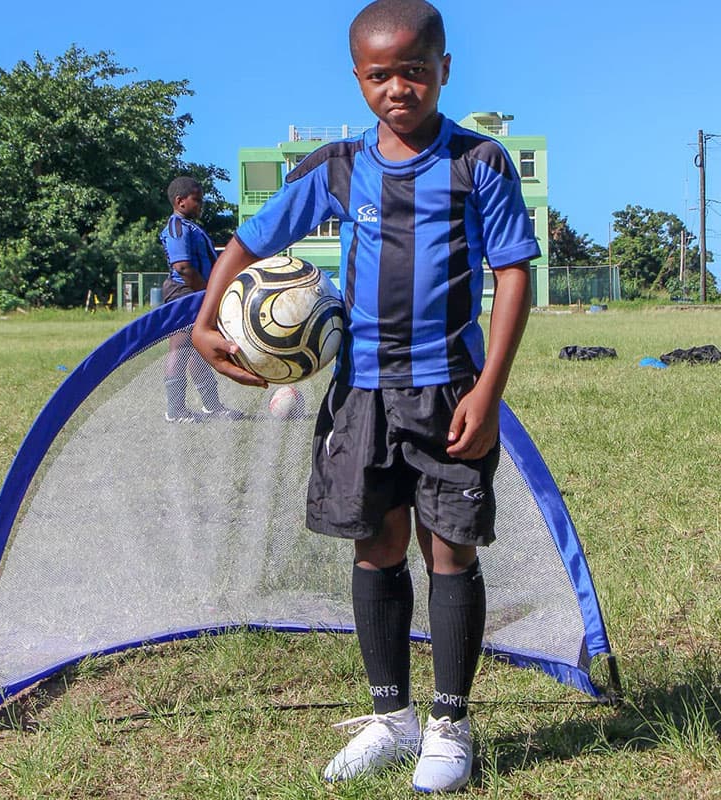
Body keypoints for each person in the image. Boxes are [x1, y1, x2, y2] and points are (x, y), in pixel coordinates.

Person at [192, 0, 540, 792]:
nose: (398, 89)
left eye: (414, 71)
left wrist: (488, 391)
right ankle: (392, 717)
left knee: (448, 550)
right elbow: (251, 238)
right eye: (379, 75)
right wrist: (208, 318)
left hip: (449, 389)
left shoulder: (480, 163)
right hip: (361, 394)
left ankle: (451, 724)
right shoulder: (339, 167)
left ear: (444, 69)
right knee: (375, 546)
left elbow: (513, 272)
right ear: (358, 78)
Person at [159, 176, 242, 422]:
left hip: (195, 293)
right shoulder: (177, 228)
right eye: (197, 200)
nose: (200, 205)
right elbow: (183, 267)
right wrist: (207, 295)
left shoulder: (190, 226)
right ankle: (175, 411)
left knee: (199, 349)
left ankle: (212, 406)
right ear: (180, 201)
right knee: (181, 347)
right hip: (184, 293)